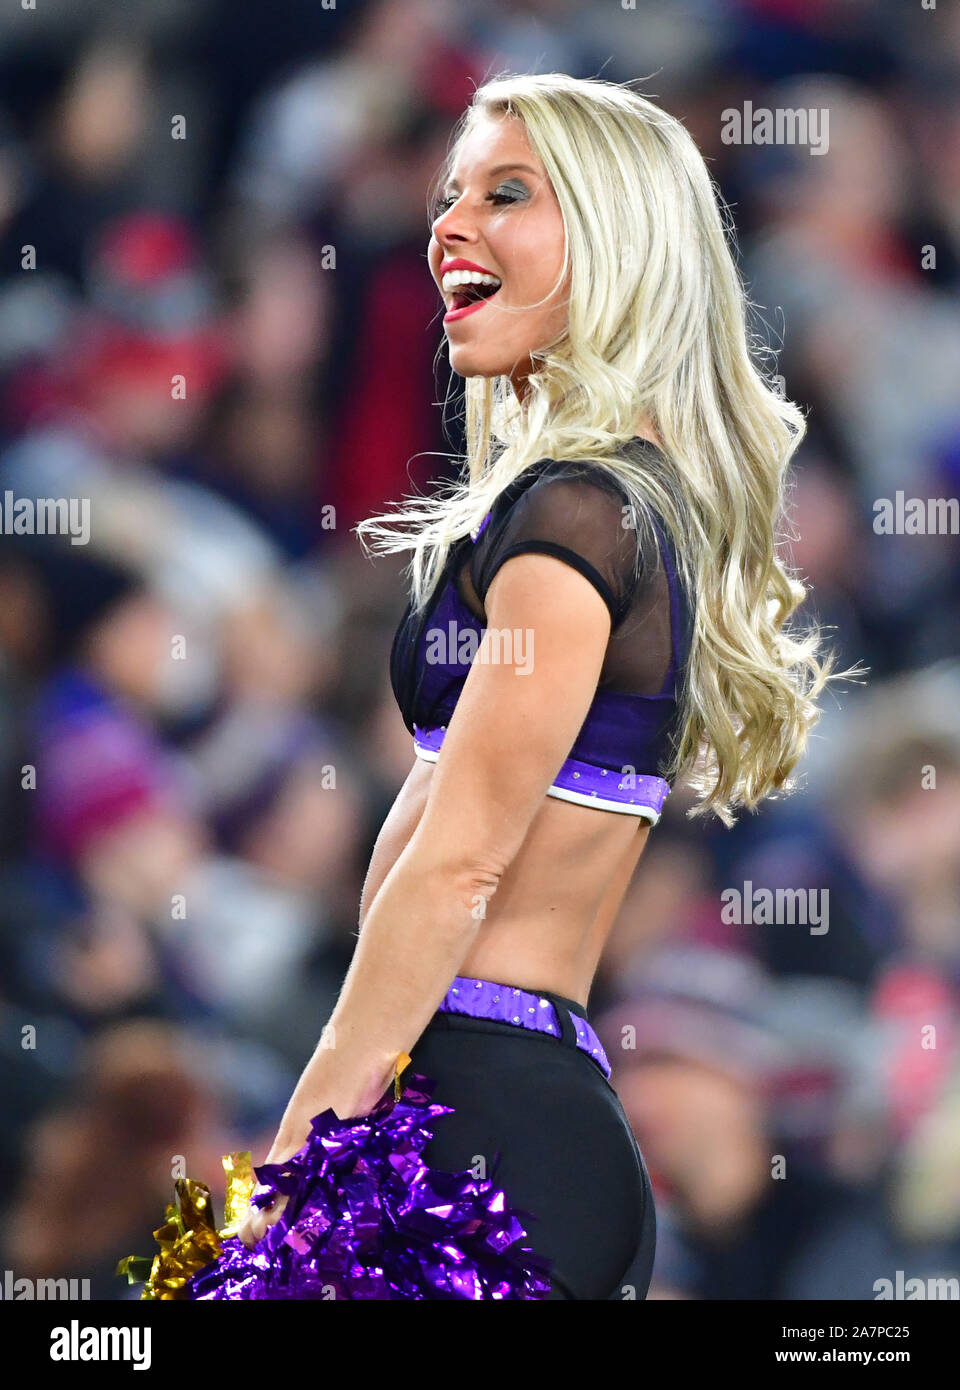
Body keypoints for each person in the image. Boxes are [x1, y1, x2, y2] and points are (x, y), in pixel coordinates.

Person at [192, 72, 851, 1301]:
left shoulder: (582, 511)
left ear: (614, 239)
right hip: (495, 1108)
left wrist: (296, 1162)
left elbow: (460, 864)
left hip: (474, 1130)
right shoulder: (603, 502)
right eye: (448, 196)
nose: (450, 225)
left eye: (507, 194)